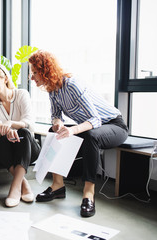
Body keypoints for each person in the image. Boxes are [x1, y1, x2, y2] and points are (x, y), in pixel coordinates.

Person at [28, 50, 128, 217]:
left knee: (91, 136)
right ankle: (57, 186)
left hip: (114, 125)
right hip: (93, 126)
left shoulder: (72, 85)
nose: (32, 77)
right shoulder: (53, 90)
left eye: (35, 72)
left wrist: (72, 130)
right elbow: (56, 115)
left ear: (45, 71)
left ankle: (88, 193)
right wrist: (58, 124)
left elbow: (95, 119)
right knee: (53, 132)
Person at [0, 63, 41, 207]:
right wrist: (6, 128)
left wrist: (10, 123)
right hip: (5, 152)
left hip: (27, 149)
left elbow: (28, 121)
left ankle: (14, 189)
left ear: (5, 79)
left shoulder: (21, 94)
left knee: (24, 132)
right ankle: (23, 183)